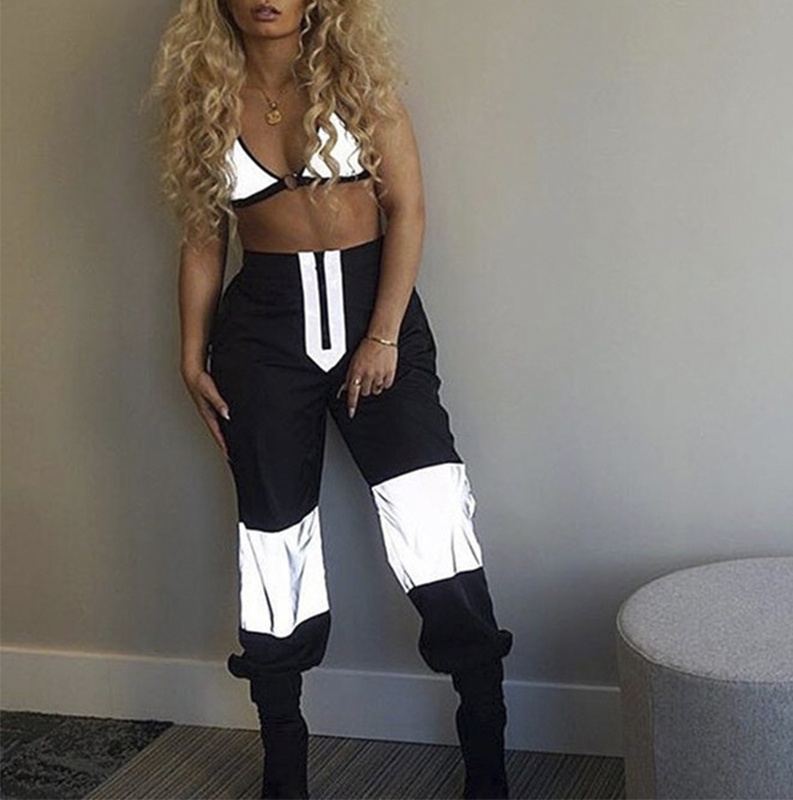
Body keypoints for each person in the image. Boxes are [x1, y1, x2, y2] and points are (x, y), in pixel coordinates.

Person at [149, 1, 513, 797]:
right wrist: (189, 356)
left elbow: (407, 209)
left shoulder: (357, 82)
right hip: (262, 337)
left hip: (375, 317)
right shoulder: (206, 98)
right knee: (272, 540)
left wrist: (382, 337)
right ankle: (285, 766)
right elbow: (205, 239)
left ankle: (486, 754)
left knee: (434, 524)